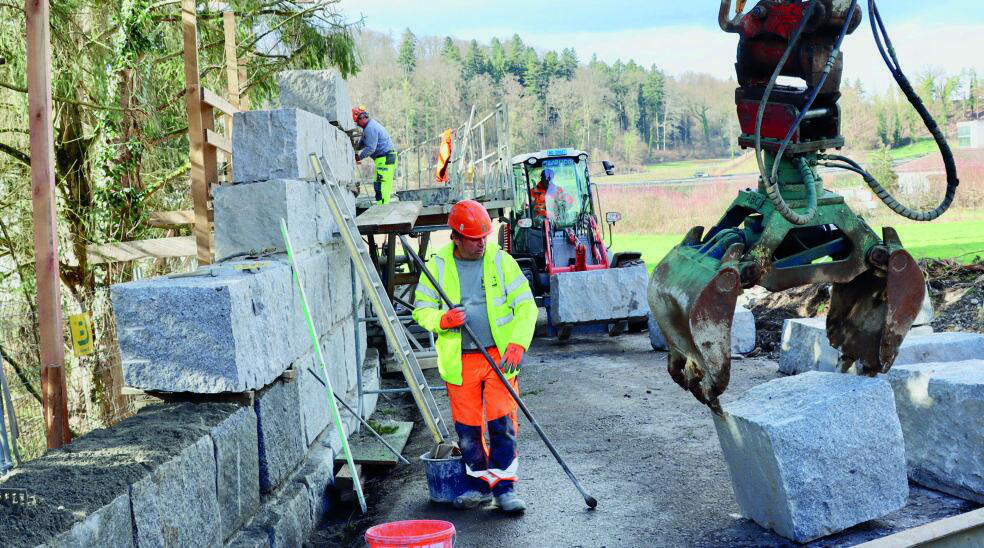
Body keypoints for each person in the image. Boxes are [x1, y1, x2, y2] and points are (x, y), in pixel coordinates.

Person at [412, 200, 538, 513]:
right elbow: (421, 309)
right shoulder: (438, 265)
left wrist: (518, 344)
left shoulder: (501, 261)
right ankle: (480, 487)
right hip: (460, 361)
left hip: (499, 358)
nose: (482, 243)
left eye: (485, 236)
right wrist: (442, 320)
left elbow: (526, 306)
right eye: (474, 238)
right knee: (468, 432)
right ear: (456, 237)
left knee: (502, 424)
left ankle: (505, 489)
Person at [352, 106, 397, 204]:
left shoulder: (370, 128)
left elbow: (370, 148)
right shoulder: (368, 127)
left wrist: (358, 157)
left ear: (363, 118)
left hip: (386, 158)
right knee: (379, 184)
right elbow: (363, 143)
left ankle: (383, 209)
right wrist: (355, 148)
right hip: (385, 158)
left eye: (357, 122)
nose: (357, 125)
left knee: (382, 185)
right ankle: (381, 206)